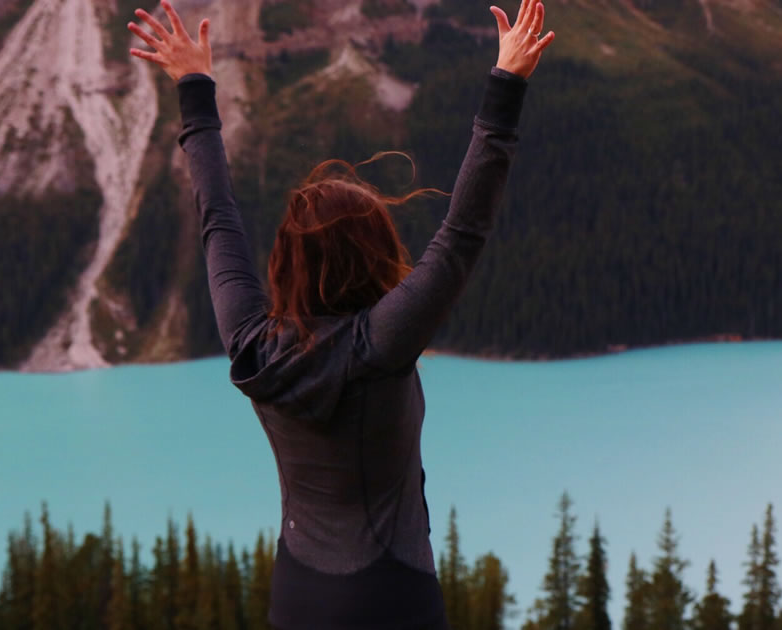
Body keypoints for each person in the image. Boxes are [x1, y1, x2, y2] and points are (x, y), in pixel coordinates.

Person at [128, 1, 554, 628]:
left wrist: (194, 89)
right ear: (377, 254)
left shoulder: (252, 346)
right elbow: (462, 234)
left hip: (298, 596)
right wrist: (506, 84)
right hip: (393, 596)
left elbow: (217, 218)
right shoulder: (382, 344)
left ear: (287, 264)